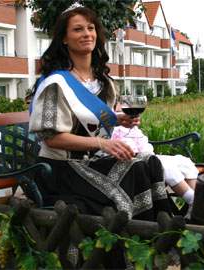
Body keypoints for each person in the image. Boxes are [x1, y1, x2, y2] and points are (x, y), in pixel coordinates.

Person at [29, 5, 171, 221]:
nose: (87, 34)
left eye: (90, 28)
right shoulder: (55, 85)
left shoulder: (104, 82)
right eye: (78, 29)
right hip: (62, 170)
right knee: (133, 169)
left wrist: (119, 120)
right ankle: (132, 237)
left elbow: (94, 122)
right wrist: (103, 144)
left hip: (93, 162)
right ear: (64, 39)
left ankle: (157, 230)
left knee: (150, 163)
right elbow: (52, 139)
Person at [112, 125, 198, 206]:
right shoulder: (111, 129)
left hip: (149, 156)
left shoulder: (130, 127)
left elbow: (144, 144)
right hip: (135, 162)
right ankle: (193, 200)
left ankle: (193, 207)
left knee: (185, 162)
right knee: (166, 167)